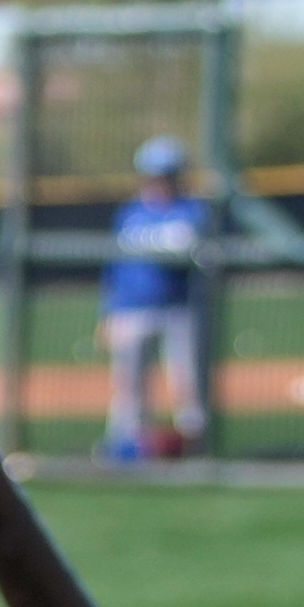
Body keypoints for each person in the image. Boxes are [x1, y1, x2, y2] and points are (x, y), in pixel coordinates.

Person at [102, 135, 211, 466]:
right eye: (155, 174)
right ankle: (126, 447)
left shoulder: (193, 211)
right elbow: (114, 267)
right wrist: (107, 313)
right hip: (131, 310)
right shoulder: (130, 214)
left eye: (168, 174)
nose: (161, 181)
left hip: (179, 310)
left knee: (188, 382)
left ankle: (196, 447)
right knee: (129, 387)